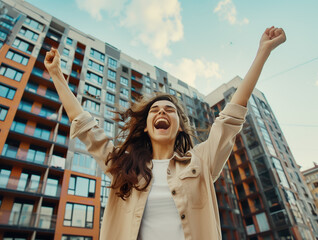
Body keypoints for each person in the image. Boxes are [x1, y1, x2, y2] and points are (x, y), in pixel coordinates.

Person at [44, 26, 286, 240]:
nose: (161, 112)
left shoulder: (201, 162)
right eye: (154, 110)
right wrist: (56, 74)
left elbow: (231, 117)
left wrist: (263, 52)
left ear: (179, 125)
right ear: (147, 126)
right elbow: (86, 126)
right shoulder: (123, 166)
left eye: (169, 110)